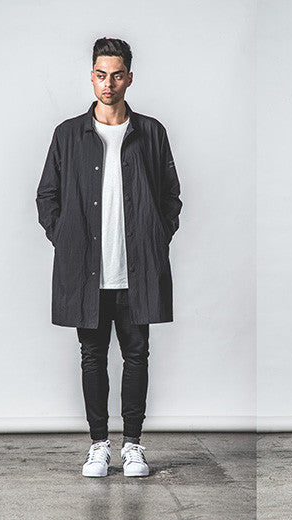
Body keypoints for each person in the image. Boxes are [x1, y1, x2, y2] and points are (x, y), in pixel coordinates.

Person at [37, 37, 182, 478]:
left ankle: (133, 445)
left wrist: (156, 238)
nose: (109, 84)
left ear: (129, 78)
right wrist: (66, 240)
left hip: (136, 269)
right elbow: (47, 197)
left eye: (117, 75)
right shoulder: (68, 134)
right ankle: (98, 445)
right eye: (101, 75)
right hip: (87, 271)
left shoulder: (151, 133)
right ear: (91, 77)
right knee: (92, 356)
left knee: (138, 355)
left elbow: (171, 197)